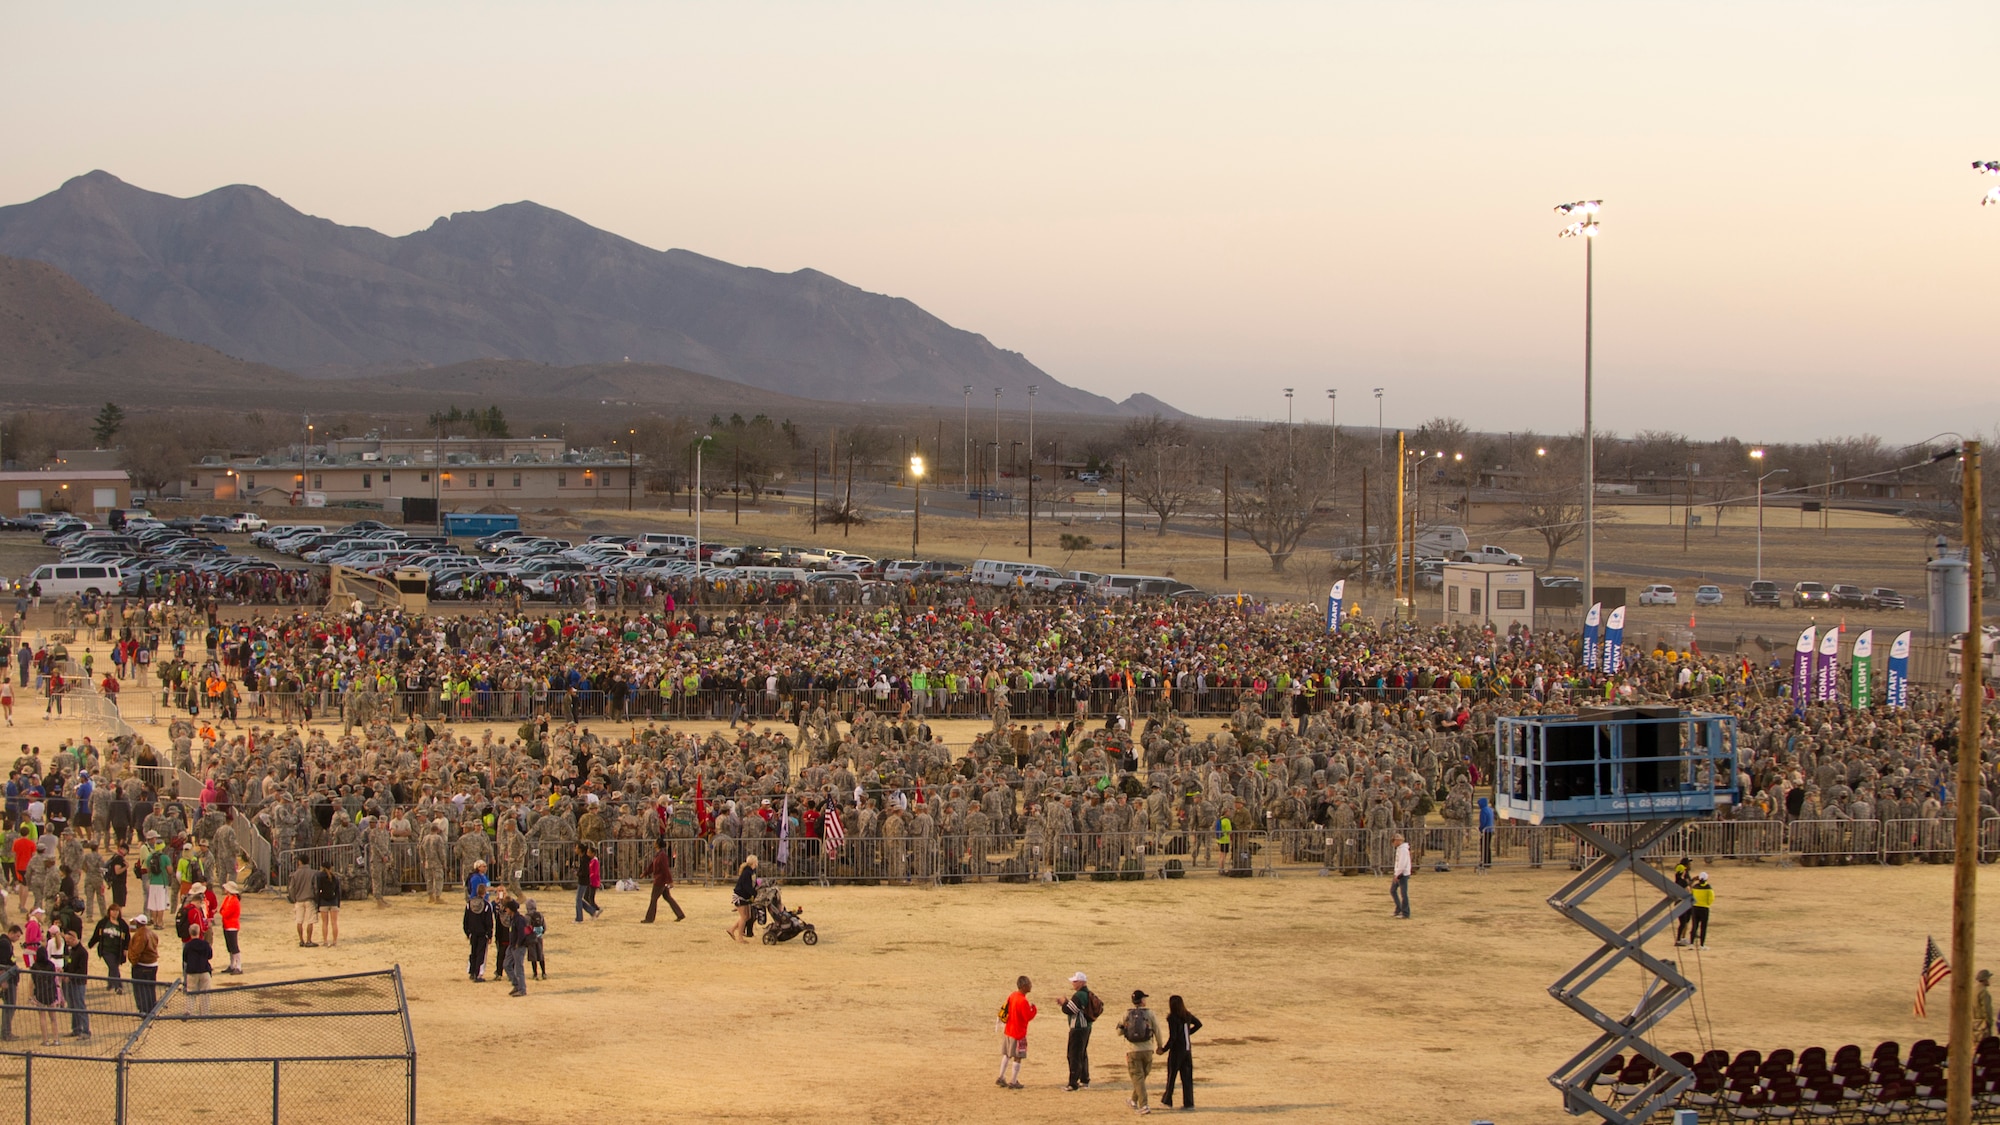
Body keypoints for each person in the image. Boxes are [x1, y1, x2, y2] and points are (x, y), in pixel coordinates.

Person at [1117, 988, 1163, 1113]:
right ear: (1142, 1001)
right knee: (1141, 1077)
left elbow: (1119, 1031)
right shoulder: (1150, 1014)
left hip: (1132, 1050)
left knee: (1138, 1078)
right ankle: (1135, 1101)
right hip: (1148, 1049)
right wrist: (1160, 1045)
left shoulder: (1127, 1014)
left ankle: (1143, 1104)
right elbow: (1157, 1030)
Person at [1159, 994, 1203, 1109]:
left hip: (1177, 1051)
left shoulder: (1172, 1018)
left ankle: (1167, 1100)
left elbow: (1172, 1037)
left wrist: (1164, 1049)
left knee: (1172, 1076)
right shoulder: (1187, 1015)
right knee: (1187, 1077)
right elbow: (1198, 1024)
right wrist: (1187, 1033)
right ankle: (1189, 1102)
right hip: (1187, 1049)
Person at [1059, 970, 1099, 1091]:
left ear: (1082, 982)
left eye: (1075, 981)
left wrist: (1064, 1003)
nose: (1073, 984)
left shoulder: (1079, 995)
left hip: (1077, 1028)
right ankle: (1084, 1079)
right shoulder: (1088, 994)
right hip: (1086, 1027)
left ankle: (1073, 1083)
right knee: (1082, 1054)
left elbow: (1069, 1010)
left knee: (1074, 1055)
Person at [998, 974, 1036, 1089]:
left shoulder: (1012, 995)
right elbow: (1027, 1016)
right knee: (1018, 1057)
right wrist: (1034, 1009)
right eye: (1029, 984)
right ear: (1024, 986)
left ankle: (1001, 1077)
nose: (1031, 985)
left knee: (1007, 1055)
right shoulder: (1023, 1001)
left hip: (1009, 1030)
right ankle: (1013, 1081)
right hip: (1018, 1033)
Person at [89, 902, 129, 994]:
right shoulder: (103, 923)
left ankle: (110, 983)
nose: (115, 913)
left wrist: (126, 948)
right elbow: (96, 935)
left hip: (117, 951)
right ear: (109, 912)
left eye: (117, 911)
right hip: (106, 950)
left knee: (113, 967)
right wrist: (91, 944)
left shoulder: (122, 925)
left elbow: (127, 938)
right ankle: (118, 986)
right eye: (113, 911)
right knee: (113, 966)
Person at [642, 841, 684, 923]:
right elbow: (652, 865)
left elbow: (666, 869)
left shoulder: (662, 856)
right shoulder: (659, 854)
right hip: (662, 880)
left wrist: (670, 881)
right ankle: (680, 914)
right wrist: (645, 873)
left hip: (660, 881)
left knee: (654, 899)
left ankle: (649, 918)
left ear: (657, 844)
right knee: (667, 897)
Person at [125, 913, 159, 1013]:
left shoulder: (140, 935)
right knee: (150, 988)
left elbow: (136, 951)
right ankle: (152, 1008)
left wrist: (133, 962)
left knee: (140, 989)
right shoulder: (152, 933)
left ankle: (144, 1010)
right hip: (153, 964)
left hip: (142, 965)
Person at [60, 926, 89, 1038]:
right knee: (72, 1006)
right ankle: (76, 1029)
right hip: (71, 982)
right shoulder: (72, 951)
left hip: (79, 983)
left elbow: (81, 970)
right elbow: (70, 964)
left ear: (73, 939)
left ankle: (86, 1031)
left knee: (80, 1006)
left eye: (68, 941)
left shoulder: (82, 952)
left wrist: (70, 977)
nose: (67, 944)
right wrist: (65, 970)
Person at [181, 923, 214, 1017]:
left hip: (192, 971)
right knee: (205, 993)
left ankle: (188, 1011)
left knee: (191, 992)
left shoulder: (188, 946)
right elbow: (210, 956)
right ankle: (204, 1013)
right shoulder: (205, 944)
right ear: (199, 932)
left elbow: (185, 959)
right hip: (204, 970)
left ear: (190, 933)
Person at [463, 884, 493, 982]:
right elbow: (489, 922)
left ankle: (471, 972)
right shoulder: (486, 905)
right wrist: (489, 934)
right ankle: (478, 974)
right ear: (484, 893)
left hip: (472, 933)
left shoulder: (469, 904)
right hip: (482, 933)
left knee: (473, 952)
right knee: (481, 953)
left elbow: (465, 920)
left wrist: (467, 932)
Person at [726, 854, 759, 944]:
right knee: (744, 917)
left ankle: (731, 929)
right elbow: (746, 887)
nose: (757, 863)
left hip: (745, 897)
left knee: (748, 916)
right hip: (740, 896)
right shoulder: (746, 873)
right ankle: (740, 937)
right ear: (753, 862)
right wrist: (754, 893)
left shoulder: (752, 872)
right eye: (756, 861)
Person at [287, 856, 318, 948]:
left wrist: (294, 898)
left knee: (299, 921)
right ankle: (309, 940)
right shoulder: (313, 873)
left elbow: (291, 888)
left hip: (299, 899)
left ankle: (301, 940)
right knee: (310, 921)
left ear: (300, 862)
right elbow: (315, 887)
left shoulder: (295, 874)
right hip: (309, 898)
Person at [502, 898, 530, 996]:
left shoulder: (519, 919)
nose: (506, 910)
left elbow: (522, 933)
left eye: (507, 908)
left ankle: (522, 989)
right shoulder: (512, 918)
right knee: (506, 965)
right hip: (512, 946)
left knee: (519, 969)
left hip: (518, 947)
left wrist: (518, 943)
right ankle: (516, 984)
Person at [314, 860, 341, 947]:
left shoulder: (319, 877)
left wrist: (317, 903)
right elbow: (338, 892)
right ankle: (335, 941)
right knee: (334, 923)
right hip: (333, 901)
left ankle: (325, 941)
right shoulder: (335, 877)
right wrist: (338, 903)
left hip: (323, 902)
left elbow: (318, 890)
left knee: (325, 923)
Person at [573, 842, 603, 923]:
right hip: (583, 881)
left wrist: (578, 873)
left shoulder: (585, 860)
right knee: (579, 899)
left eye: (576, 848)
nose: (575, 850)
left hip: (583, 881)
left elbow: (585, 872)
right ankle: (592, 911)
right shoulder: (583, 858)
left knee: (578, 899)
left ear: (580, 850)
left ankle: (579, 918)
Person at [218, 882, 243, 974]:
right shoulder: (228, 898)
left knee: (234, 946)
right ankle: (232, 965)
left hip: (232, 925)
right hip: (227, 925)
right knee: (230, 947)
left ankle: (238, 966)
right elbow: (222, 910)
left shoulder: (234, 900)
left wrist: (223, 911)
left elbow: (225, 912)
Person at [523, 897, 547, 980]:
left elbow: (526, 929)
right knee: (540, 955)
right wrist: (540, 933)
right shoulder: (540, 915)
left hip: (531, 938)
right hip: (539, 937)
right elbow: (544, 927)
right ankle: (544, 973)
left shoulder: (526, 917)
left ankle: (535, 973)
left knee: (533, 956)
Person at [1672, 857, 1694, 946]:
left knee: (1687, 920)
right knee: (1683, 921)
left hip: (1687, 899)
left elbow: (1688, 883)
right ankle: (1678, 940)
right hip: (1682, 900)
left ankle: (1683, 938)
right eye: (1689, 863)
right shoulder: (1682, 873)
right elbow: (1682, 882)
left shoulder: (1686, 874)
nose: (1690, 865)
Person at [1688, 871, 1713, 948]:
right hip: (1704, 908)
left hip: (1695, 908)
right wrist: (1707, 904)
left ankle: (1691, 944)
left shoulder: (1695, 887)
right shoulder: (1708, 888)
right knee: (1703, 927)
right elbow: (1711, 898)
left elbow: (1691, 894)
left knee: (1694, 926)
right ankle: (1702, 945)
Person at [1390, 832, 1411, 919]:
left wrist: (1397, 874)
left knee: (1403, 893)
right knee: (1393, 890)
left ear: (1398, 841)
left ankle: (1405, 912)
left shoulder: (1403, 850)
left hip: (1402, 874)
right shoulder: (1400, 849)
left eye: (1394, 841)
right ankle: (1399, 908)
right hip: (1399, 873)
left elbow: (1402, 863)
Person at [0, 923, 16, 1040]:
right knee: (9, 1005)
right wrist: (3, 980)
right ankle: (6, 1032)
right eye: (17, 936)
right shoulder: (5, 944)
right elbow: (2, 964)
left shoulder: (6, 943)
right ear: (11, 933)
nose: (18, 939)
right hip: (8, 979)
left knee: (9, 1005)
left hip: (9, 978)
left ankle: (6, 1031)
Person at [1477, 797, 1495, 869]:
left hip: (1485, 830)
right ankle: (1488, 861)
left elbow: (1483, 821)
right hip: (1490, 830)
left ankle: (1484, 861)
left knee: (1484, 847)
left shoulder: (1483, 811)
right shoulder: (1490, 809)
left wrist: (1480, 829)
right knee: (1488, 847)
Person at [1978, 970, 1995, 1041]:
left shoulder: (1974, 991)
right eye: (1988, 978)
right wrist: (1990, 1023)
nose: (1989, 980)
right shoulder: (1983, 992)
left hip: (1974, 1026)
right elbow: (1987, 1010)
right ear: (1985, 979)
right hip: (1983, 1026)